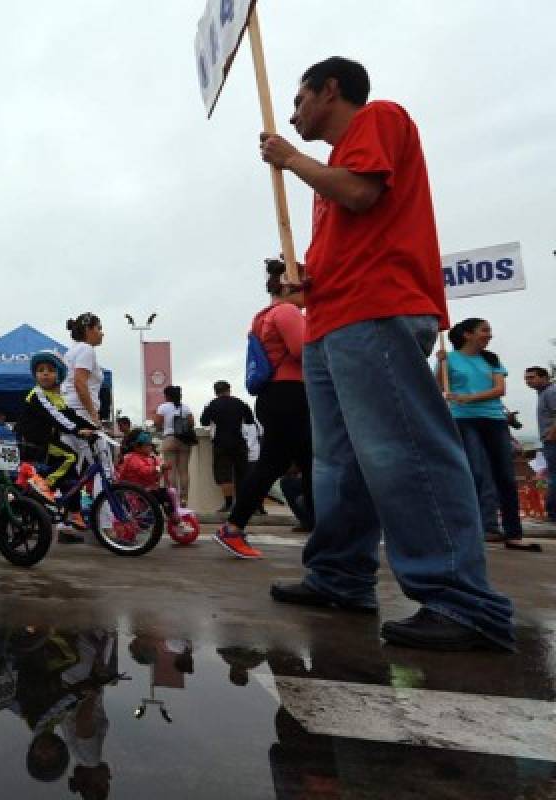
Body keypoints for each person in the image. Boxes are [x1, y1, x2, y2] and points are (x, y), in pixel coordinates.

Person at [259, 56, 513, 650]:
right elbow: (342, 237)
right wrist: (303, 280)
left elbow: (362, 195)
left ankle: (461, 600)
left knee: (404, 452)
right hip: (334, 319)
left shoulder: (377, 119)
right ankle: (340, 576)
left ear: (330, 90)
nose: (293, 115)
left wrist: (291, 160)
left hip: (375, 311)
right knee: (340, 462)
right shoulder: (332, 173)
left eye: (299, 101)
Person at [215, 260, 313, 559]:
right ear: (288, 285)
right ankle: (326, 532)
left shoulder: (263, 316)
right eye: (305, 286)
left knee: (282, 464)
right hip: (291, 394)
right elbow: (303, 350)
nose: (310, 293)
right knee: (310, 462)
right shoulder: (287, 312)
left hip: (275, 395)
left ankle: (234, 527)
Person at [440, 318, 538, 552]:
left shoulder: (491, 359)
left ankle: (514, 535)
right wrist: (440, 363)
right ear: (467, 334)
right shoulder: (449, 359)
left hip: (494, 420)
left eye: (490, 331)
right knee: (474, 473)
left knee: (505, 476)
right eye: (484, 330)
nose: (489, 335)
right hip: (463, 420)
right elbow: (440, 387)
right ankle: (470, 532)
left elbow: (499, 390)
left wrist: (468, 398)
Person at [16, 350, 98, 541]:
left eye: (50, 370)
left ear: (59, 375)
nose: (45, 373)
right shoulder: (37, 394)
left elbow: (70, 415)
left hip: (47, 441)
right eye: (41, 370)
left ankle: (72, 514)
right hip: (33, 442)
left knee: (72, 476)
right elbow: (56, 417)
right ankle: (44, 487)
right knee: (69, 457)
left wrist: (94, 428)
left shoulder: (56, 396)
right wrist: (78, 431)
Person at [200, 381, 254, 513]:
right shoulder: (239, 403)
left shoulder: (212, 404)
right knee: (242, 473)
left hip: (221, 443)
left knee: (224, 474)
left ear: (215, 392)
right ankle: (243, 504)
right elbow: (250, 420)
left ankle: (229, 504)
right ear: (229, 389)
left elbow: (204, 422)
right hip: (238, 442)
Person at [523, 366, 556, 522]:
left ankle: (553, 514)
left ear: (545, 377)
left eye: (532, 377)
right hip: (549, 440)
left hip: (553, 440)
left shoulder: (550, 392)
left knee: (553, 477)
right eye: (526, 378)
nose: (528, 381)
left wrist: (551, 434)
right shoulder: (543, 394)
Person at [154, 386, 194, 497]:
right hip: (184, 440)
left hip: (169, 438)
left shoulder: (163, 407)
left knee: (171, 471)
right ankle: (184, 499)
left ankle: (174, 499)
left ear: (167, 396)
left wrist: (162, 428)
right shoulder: (185, 408)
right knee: (184, 471)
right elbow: (191, 423)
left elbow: (157, 423)